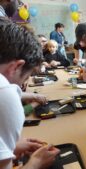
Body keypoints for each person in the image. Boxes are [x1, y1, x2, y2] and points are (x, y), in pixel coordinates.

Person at [0, 17, 59, 169]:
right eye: (24, 79)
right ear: (16, 67)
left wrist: (9, 148)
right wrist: (35, 164)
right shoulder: (5, 94)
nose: (20, 87)